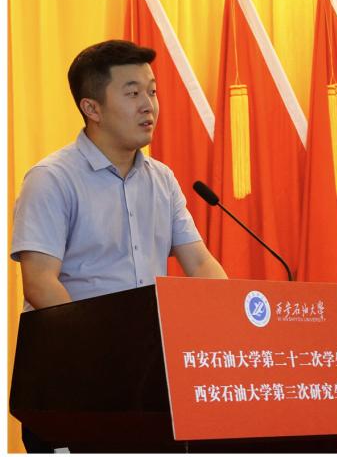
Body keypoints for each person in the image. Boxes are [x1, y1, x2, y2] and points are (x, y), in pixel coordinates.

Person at [10, 40, 227, 451]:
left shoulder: (162, 180)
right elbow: (40, 284)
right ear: (92, 108)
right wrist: (102, 351)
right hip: (73, 380)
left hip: (148, 379)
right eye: (132, 93)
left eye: (152, 91)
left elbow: (199, 263)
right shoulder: (51, 179)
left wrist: (229, 324)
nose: (149, 105)